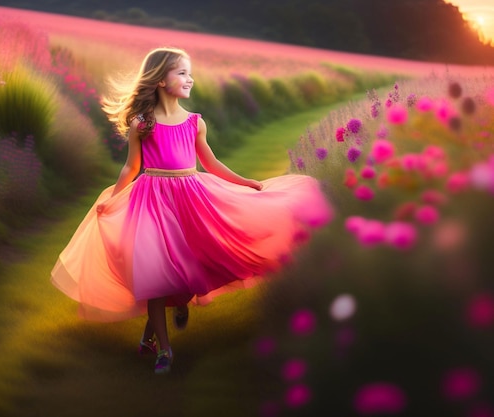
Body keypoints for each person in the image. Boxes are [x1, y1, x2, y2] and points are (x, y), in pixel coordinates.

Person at [51, 46, 333, 375]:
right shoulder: (142, 124)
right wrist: (113, 198)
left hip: (191, 197)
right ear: (160, 81)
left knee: (190, 261)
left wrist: (245, 182)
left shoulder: (195, 123)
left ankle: (162, 320)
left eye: (190, 72)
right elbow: (131, 167)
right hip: (152, 198)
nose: (190, 78)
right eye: (182, 73)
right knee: (154, 269)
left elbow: (210, 164)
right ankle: (164, 350)